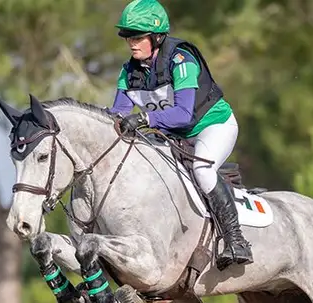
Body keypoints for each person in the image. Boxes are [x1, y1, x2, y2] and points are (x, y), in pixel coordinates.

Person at [106, 0, 252, 270]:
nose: (131, 43)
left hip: (211, 126)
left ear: (157, 36)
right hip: (173, 135)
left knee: (203, 170)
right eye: (129, 37)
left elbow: (184, 114)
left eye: (138, 37)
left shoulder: (181, 60)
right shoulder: (128, 72)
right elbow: (118, 113)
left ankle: (236, 239)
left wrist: (146, 118)